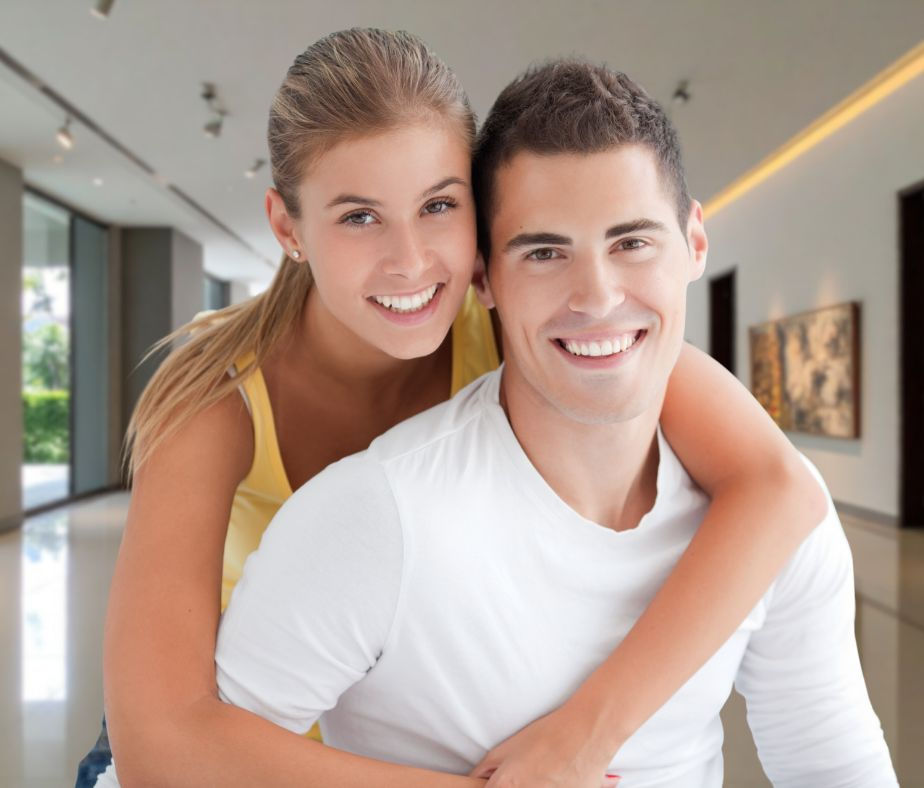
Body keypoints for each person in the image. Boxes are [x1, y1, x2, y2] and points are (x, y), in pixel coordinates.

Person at [87, 30, 826, 788]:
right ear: (287, 228)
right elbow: (158, 751)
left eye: (438, 205)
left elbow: (779, 488)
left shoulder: (529, 330)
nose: (411, 261)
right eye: (359, 216)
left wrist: (582, 735)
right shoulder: (212, 394)